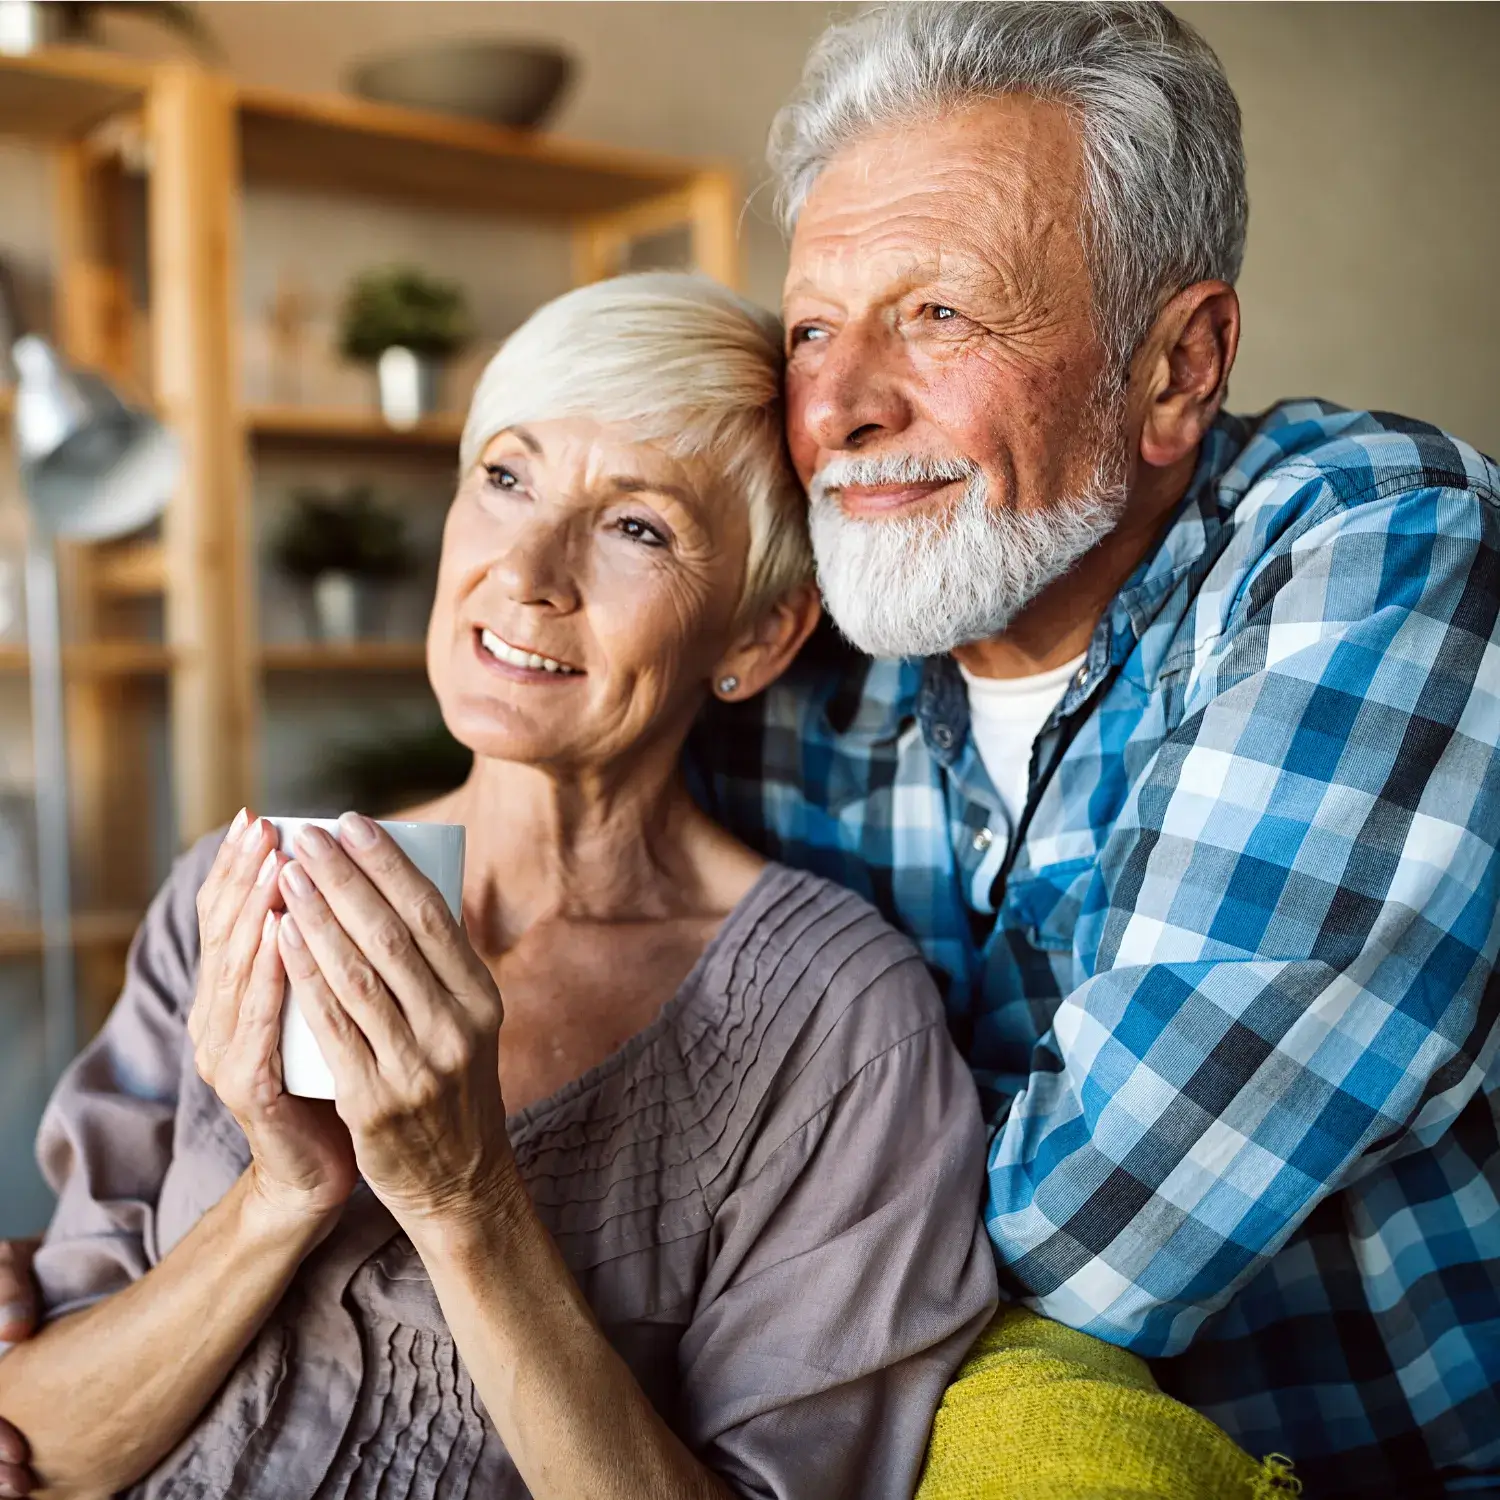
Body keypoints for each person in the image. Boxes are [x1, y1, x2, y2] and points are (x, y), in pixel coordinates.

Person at [0, 273, 999, 1499]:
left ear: (756, 636)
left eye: (638, 528)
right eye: (506, 478)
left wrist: (462, 1196)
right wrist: (281, 1193)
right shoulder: (235, 886)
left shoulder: (839, 1021)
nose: (526, 572)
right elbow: (35, 1449)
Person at [680, 5, 1497, 1497]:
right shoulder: (794, 656)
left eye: (939, 315)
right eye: (811, 327)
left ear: (1180, 364)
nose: (842, 408)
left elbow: (1108, 1219)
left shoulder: (1387, 546)